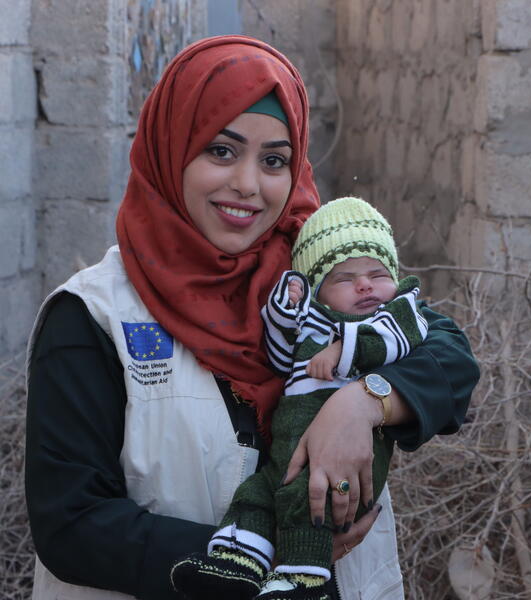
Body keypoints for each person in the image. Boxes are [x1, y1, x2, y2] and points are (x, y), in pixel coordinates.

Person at [24, 35, 479, 600]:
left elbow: (450, 356)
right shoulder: (94, 318)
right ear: (171, 149)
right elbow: (70, 524)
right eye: (220, 150)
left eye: (273, 160)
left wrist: (364, 402)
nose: (247, 184)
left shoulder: (316, 281)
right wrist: (264, 562)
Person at [172, 196, 431, 600]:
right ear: (321, 291)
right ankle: (236, 563)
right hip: (289, 446)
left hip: (348, 458)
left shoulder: (396, 311)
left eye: (377, 273)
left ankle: (303, 581)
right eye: (345, 278)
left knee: (307, 501)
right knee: (258, 493)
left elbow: (392, 341)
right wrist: (287, 305)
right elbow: (277, 357)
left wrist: (342, 349)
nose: (364, 285)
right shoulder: (315, 320)